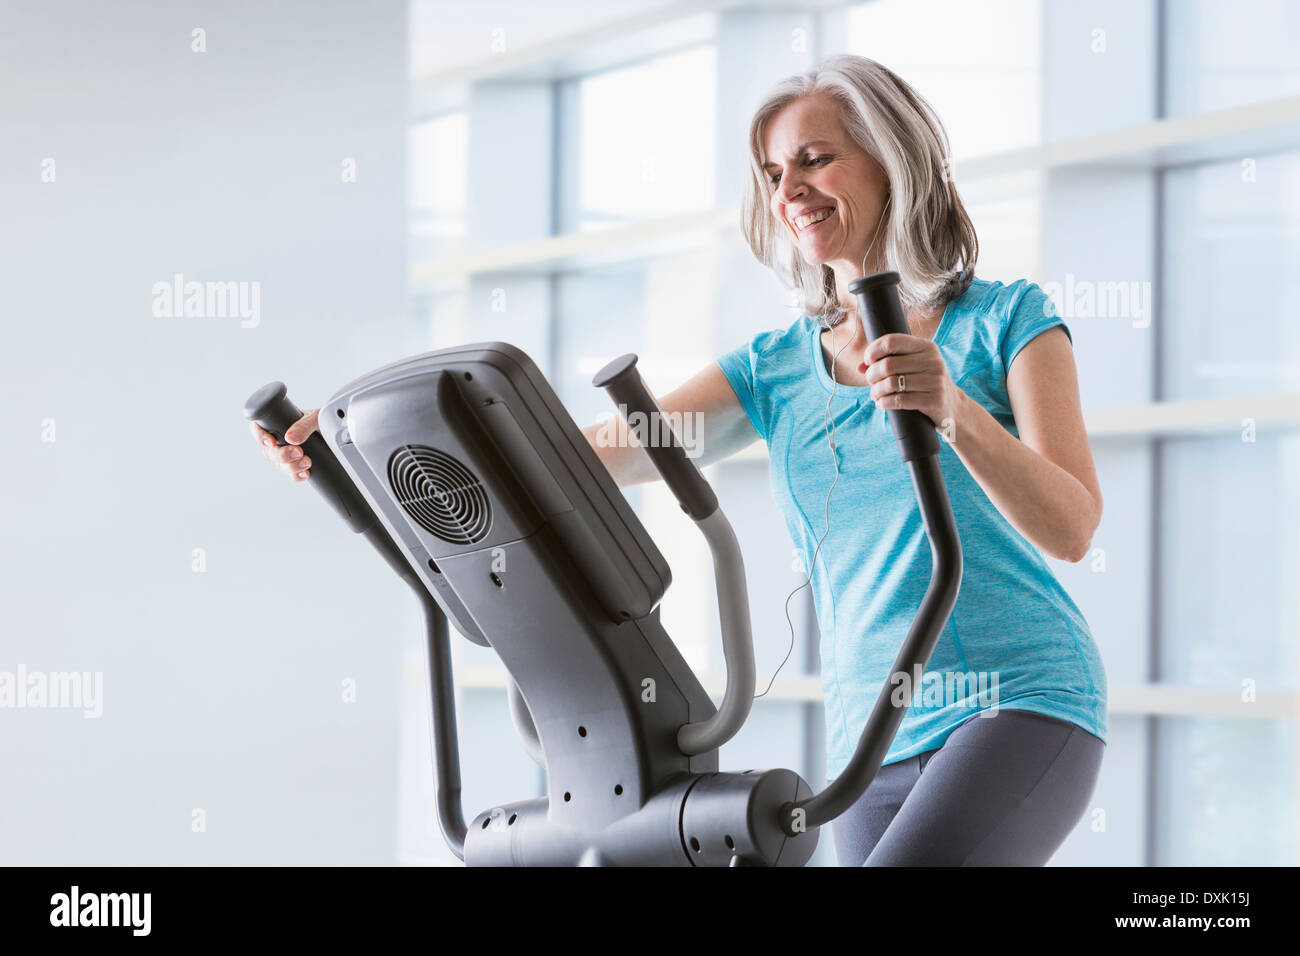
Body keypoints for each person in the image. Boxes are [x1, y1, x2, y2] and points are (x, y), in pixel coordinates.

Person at [250, 53, 1107, 867]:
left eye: (815, 159)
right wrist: (364, 446)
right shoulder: (773, 368)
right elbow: (580, 464)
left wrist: (952, 408)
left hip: (1020, 699)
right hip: (873, 736)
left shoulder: (1005, 321)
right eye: (775, 175)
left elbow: (1071, 526)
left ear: (893, 161)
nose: (791, 191)